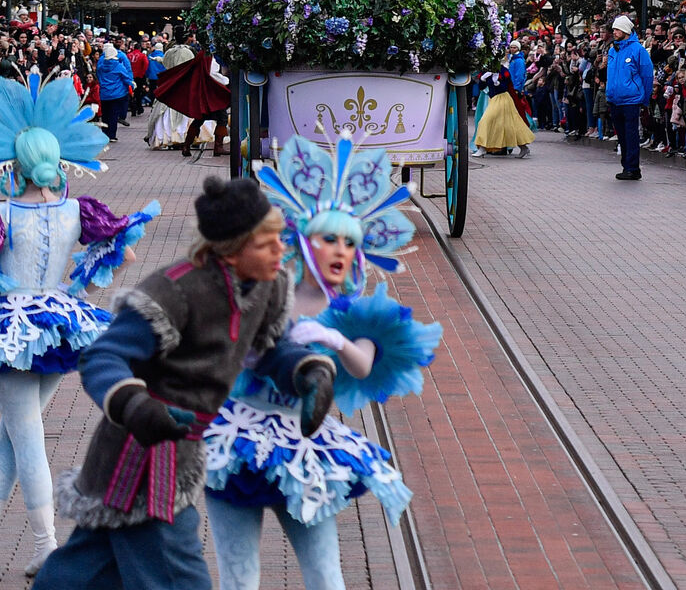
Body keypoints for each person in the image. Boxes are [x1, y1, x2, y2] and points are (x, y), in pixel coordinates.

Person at [36, 176, 335, 590]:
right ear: (232, 249)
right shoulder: (174, 290)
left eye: (280, 241)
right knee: (180, 579)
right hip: (143, 457)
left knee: (79, 574)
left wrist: (307, 370)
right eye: (266, 244)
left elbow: (268, 348)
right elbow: (103, 357)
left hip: (183, 453)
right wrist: (136, 405)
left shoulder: (268, 286)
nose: (280, 251)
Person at [203, 139, 442, 590]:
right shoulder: (262, 291)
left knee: (326, 576)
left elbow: (363, 367)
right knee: (238, 576)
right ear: (301, 241)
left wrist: (336, 339)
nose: (340, 250)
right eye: (329, 239)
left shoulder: (353, 316)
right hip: (235, 438)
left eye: (350, 242)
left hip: (303, 443)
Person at [0, 76, 158, 574]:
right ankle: (43, 543)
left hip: (13, 332)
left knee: (24, 436)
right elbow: (124, 252)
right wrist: (76, 292)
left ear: (15, 162)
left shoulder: (4, 212)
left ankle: (47, 544)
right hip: (59, 323)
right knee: (12, 436)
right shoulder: (76, 209)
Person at [607, 16, 654, 182]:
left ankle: (633, 168)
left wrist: (645, 99)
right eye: (614, 29)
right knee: (621, 135)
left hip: (631, 100)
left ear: (625, 30)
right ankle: (626, 166)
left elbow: (647, 75)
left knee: (631, 135)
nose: (614, 32)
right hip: (615, 99)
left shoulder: (638, 50)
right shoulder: (613, 50)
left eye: (617, 29)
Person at [94, 44, 133, 143]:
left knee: (105, 115)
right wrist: (131, 85)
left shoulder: (101, 66)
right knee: (113, 115)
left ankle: (104, 134)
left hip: (104, 93)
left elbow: (98, 76)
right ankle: (112, 135)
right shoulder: (118, 66)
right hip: (117, 93)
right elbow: (126, 78)